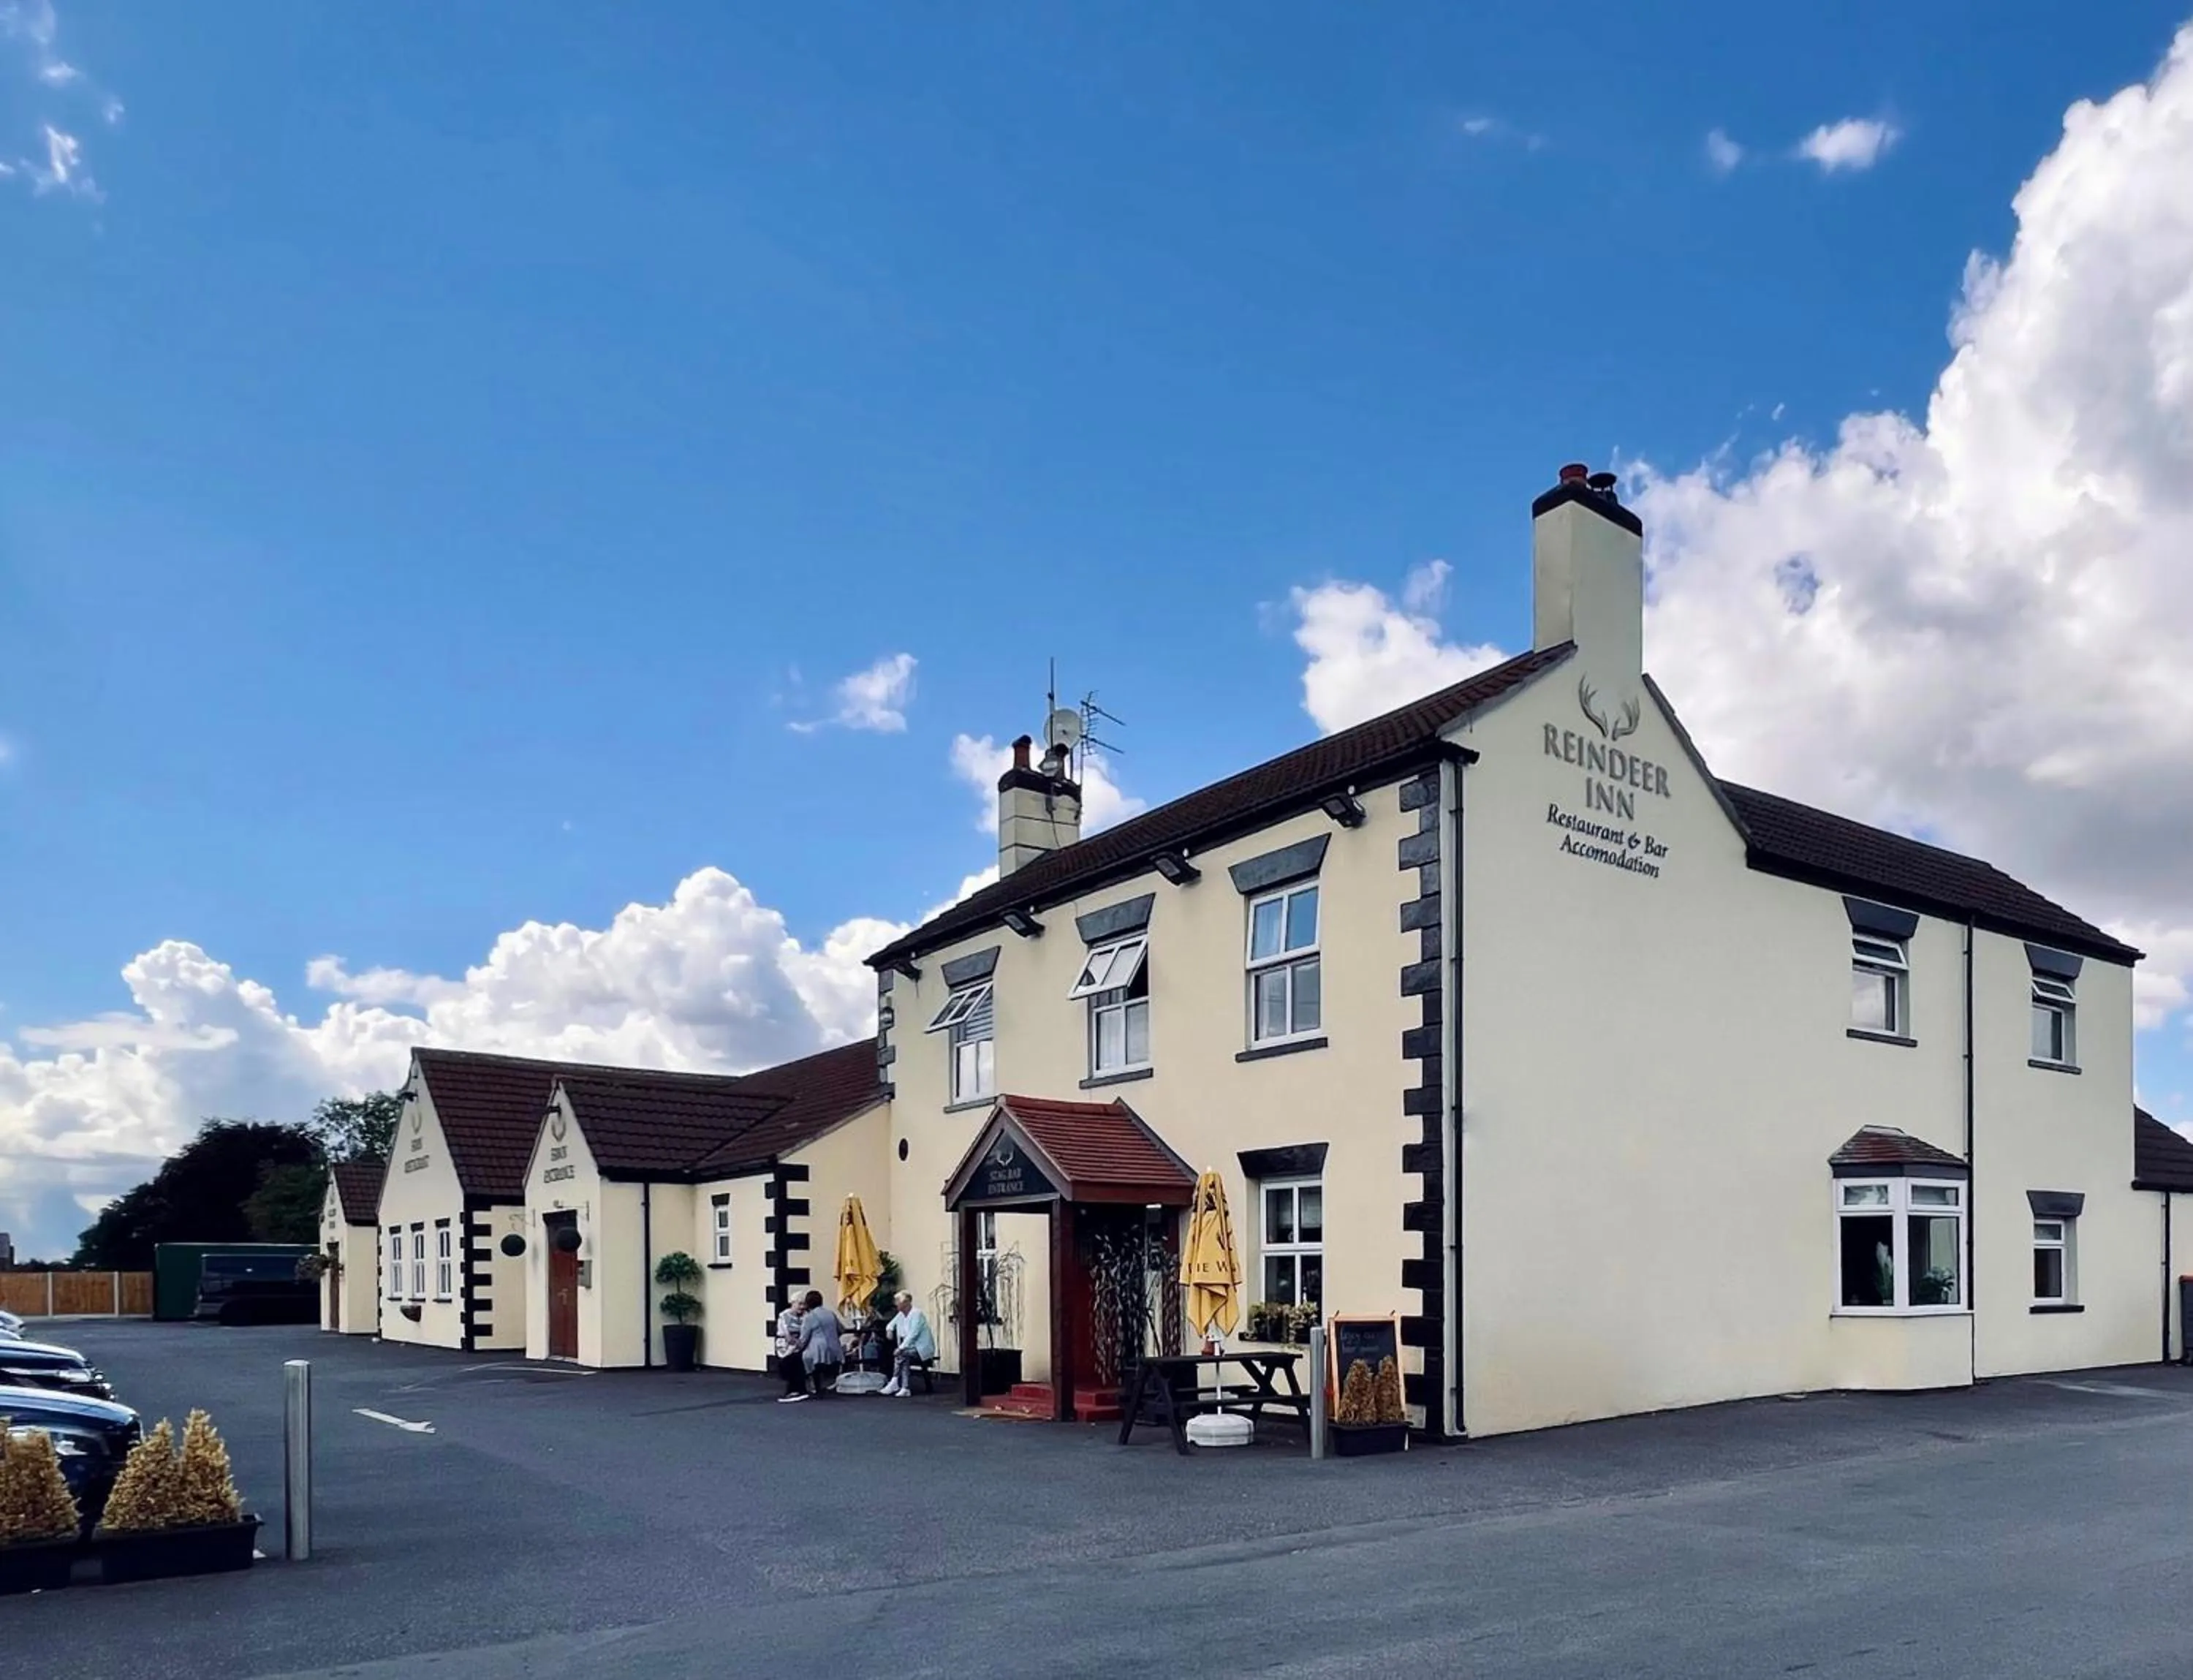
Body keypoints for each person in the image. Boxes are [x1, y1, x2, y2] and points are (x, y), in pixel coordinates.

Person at [879, 1290, 936, 1398]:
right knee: (903, 1356)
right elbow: (891, 1324)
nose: (896, 1304)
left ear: (906, 1302)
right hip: (909, 1349)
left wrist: (901, 1348)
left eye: (898, 1301)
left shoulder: (917, 1314)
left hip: (922, 1348)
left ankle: (896, 1381)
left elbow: (913, 1334)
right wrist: (889, 1330)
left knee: (901, 1354)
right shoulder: (901, 1315)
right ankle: (904, 1388)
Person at [796, 1289, 845, 1399]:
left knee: (803, 1357)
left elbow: (804, 1338)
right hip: (835, 1349)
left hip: (817, 1350)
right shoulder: (830, 1313)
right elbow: (842, 1329)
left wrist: (796, 1346)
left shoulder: (810, 1317)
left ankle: (813, 1386)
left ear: (808, 1303)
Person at [774, 1297, 810, 1402]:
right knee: (788, 1363)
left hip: (801, 1345)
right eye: (800, 1304)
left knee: (796, 1362)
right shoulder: (784, 1316)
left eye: (804, 1304)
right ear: (793, 1303)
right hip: (786, 1346)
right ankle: (795, 1390)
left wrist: (800, 1342)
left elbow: (806, 1332)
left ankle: (796, 1391)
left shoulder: (806, 1316)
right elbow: (786, 1335)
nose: (802, 1307)